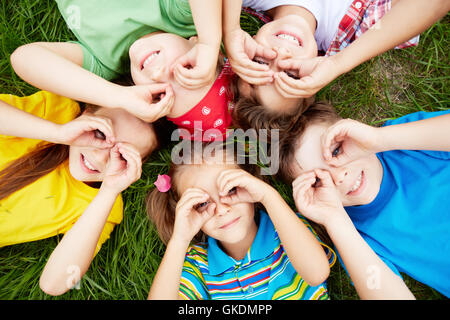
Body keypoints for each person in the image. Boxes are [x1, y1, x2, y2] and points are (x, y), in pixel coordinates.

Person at [278, 101, 450, 298]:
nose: (339, 177)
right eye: (318, 180)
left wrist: (379, 139)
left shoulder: (403, 143)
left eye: (336, 151)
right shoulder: (353, 237)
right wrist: (334, 220)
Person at [0, 90, 159, 296]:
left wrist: (109, 191)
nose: (100, 157)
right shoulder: (57, 112)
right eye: (100, 133)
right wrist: (57, 133)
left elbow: (54, 283)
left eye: (121, 155)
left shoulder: (100, 205)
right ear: (86, 114)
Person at [10, 0, 235, 141]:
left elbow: (24, 58)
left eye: (159, 94)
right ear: (194, 44)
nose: (158, 75)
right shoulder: (178, 13)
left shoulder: (103, 62)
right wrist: (208, 41)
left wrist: (119, 96)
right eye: (186, 69)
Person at [223, 0, 449, 131]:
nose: (280, 54)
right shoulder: (356, 32)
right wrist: (338, 63)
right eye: (291, 74)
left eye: (260, 62)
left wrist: (230, 28)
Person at [146, 145, 335, 299]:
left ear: (250, 183)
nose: (222, 210)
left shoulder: (288, 229)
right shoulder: (199, 264)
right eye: (202, 203)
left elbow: (317, 274)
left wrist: (268, 196)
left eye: (231, 190)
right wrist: (179, 240)